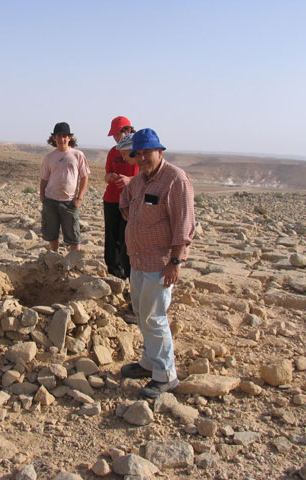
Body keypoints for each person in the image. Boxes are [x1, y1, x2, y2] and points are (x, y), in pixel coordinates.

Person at [119, 128, 195, 398]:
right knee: (141, 313)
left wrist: (175, 261)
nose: (141, 158)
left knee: (155, 317)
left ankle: (165, 375)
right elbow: (126, 203)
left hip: (159, 263)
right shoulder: (140, 181)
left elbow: (183, 225)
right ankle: (149, 362)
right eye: (137, 154)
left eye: (146, 153)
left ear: (159, 151)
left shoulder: (175, 179)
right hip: (137, 259)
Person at [40, 122, 90, 252]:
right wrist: (42, 196)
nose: (62, 139)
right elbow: (44, 179)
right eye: (58, 136)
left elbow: (84, 177)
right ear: (54, 138)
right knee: (52, 234)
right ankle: (54, 259)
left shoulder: (77, 155)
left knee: (73, 235)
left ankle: (74, 263)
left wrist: (80, 197)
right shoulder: (49, 157)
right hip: (51, 200)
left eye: (64, 136)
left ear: (69, 138)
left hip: (70, 201)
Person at [103, 116, 138, 279]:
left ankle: (128, 272)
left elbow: (145, 176)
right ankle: (114, 272)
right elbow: (106, 174)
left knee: (127, 237)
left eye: (118, 134)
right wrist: (110, 177)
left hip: (131, 200)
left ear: (128, 131)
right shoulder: (112, 151)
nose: (117, 138)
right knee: (111, 237)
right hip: (111, 198)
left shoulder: (139, 151)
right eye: (115, 135)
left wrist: (129, 180)